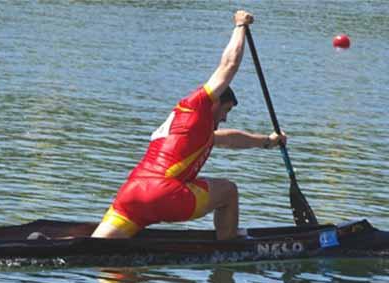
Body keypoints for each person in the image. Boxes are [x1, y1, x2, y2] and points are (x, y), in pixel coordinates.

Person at [92, 10, 286, 240]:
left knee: (94, 248)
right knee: (228, 191)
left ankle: (46, 248)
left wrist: (267, 141)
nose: (224, 118)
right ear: (215, 102)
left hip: (132, 193)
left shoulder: (185, 127)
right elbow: (229, 65)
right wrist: (240, 27)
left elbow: (229, 138)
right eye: (226, 111)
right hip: (166, 194)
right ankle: (228, 247)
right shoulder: (199, 104)